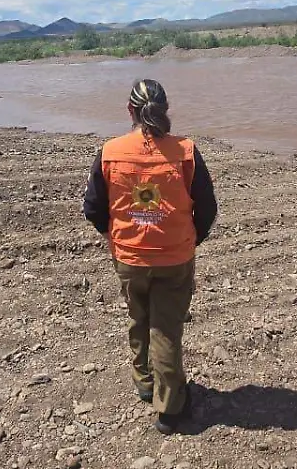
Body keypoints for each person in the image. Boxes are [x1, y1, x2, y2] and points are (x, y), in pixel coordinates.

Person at [82, 79, 217, 434]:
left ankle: (145, 382)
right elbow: (207, 208)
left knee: (138, 317)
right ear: (165, 109)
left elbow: (93, 208)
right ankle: (170, 409)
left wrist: (115, 238)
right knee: (166, 329)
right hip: (174, 259)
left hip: (129, 258)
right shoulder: (185, 151)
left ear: (130, 111)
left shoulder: (110, 151)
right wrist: (189, 241)